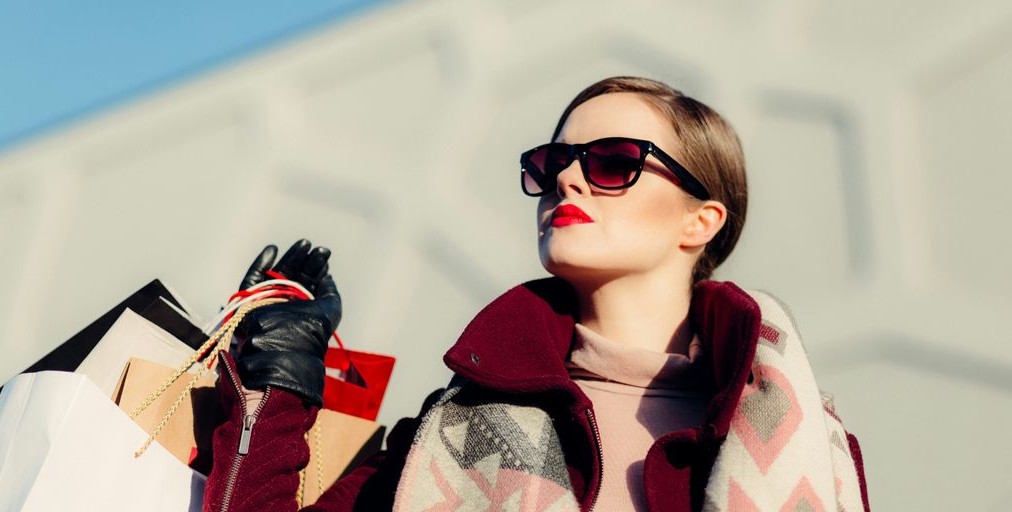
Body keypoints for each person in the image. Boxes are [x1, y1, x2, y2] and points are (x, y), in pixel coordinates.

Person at [202, 77, 870, 511]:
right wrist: (280, 380)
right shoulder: (454, 430)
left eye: (613, 162)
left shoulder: (805, 439)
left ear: (701, 220)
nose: (569, 180)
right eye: (553, 164)